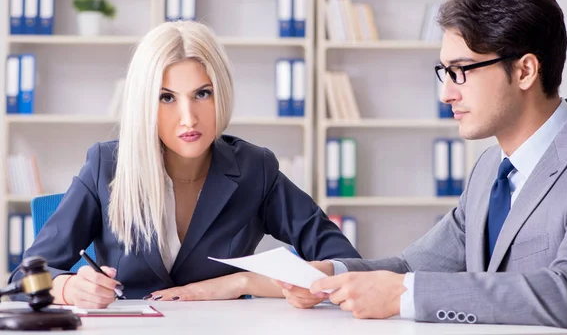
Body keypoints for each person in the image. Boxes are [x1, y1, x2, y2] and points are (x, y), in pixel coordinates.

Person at [276, 0, 567, 334]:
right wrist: (333, 276)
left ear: (524, 71)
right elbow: (412, 265)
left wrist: (404, 296)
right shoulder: (491, 168)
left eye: (461, 72)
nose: (446, 94)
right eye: (445, 73)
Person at [9, 20, 360, 308]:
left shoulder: (256, 168)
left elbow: (349, 267)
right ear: (144, 103)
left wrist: (241, 282)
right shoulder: (106, 165)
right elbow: (24, 278)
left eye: (201, 94)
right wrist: (69, 288)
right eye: (166, 98)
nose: (188, 118)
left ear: (220, 92)